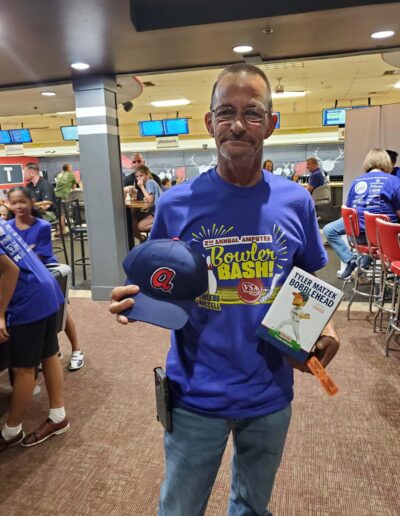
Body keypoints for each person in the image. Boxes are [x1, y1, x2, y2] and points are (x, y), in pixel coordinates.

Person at [110, 63, 339, 516]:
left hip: (269, 394)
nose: (238, 124)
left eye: (253, 113)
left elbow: (309, 280)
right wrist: (135, 300)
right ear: (209, 122)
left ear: (271, 124)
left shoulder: (295, 201)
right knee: (180, 508)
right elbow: (163, 280)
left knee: (252, 508)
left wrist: (324, 326)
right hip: (196, 393)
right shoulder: (176, 203)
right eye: (226, 112)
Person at [0, 216, 69, 451]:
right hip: (45, 288)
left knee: (22, 368)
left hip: (28, 297)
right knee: (49, 353)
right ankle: (58, 417)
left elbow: (9, 270)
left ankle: (11, 431)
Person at [7, 187, 85, 371]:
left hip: (46, 275)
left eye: (22, 201)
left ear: (31, 202)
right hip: (21, 277)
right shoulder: (7, 227)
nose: (18, 206)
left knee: (61, 312)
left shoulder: (42, 226)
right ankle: (45, 352)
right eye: (14, 202)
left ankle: (76, 349)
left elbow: (39, 257)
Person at [324, 148, 400, 281]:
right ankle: (391, 277)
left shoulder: (357, 181)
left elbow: (349, 209)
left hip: (357, 237)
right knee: (381, 236)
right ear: (387, 162)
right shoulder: (394, 181)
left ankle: (353, 263)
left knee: (329, 230)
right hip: (384, 240)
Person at [134, 165, 163, 234]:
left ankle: (164, 226)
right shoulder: (150, 182)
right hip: (159, 211)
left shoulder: (149, 182)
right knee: (138, 222)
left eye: (141, 175)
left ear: (147, 175)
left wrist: (141, 187)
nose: (139, 178)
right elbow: (151, 200)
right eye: (137, 176)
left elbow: (150, 200)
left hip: (160, 212)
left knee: (139, 226)